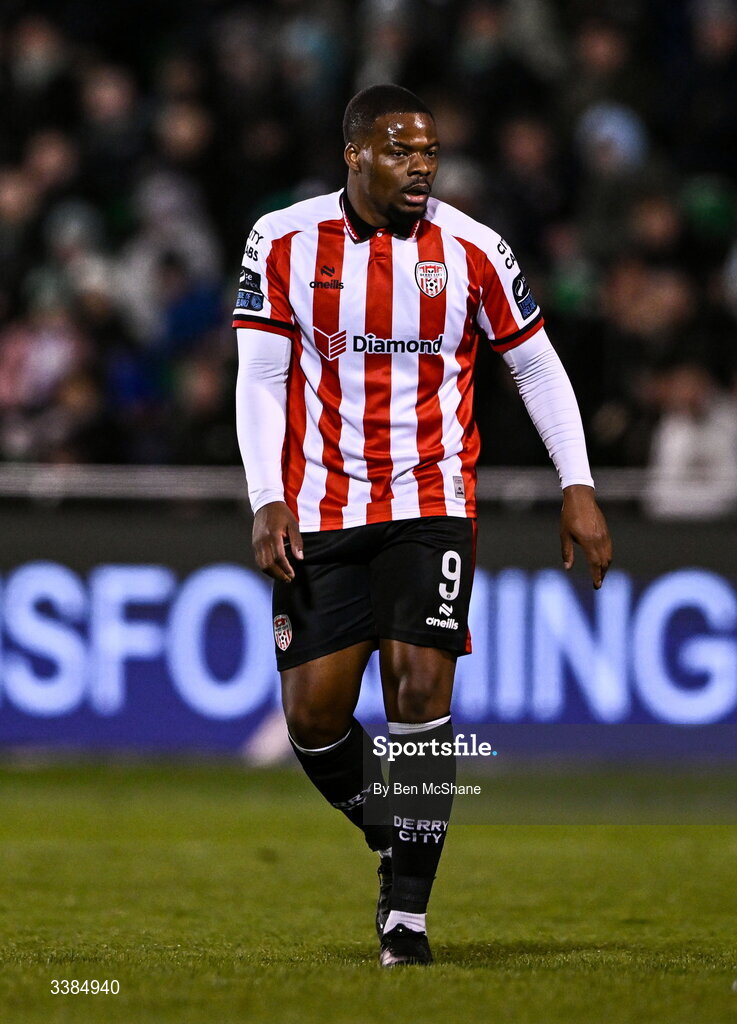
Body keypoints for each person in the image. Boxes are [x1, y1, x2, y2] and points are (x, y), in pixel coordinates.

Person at [233, 84, 612, 968]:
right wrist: (265, 495)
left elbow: (537, 367)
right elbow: (261, 377)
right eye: (401, 151)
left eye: (430, 152)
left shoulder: (475, 248)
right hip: (321, 506)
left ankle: (407, 914)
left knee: (419, 694)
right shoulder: (281, 239)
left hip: (431, 501)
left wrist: (578, 484)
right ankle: (396, 831)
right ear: (355, 155)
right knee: (314, 719)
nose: (421, 167)